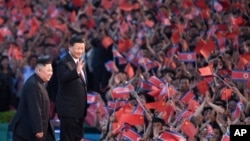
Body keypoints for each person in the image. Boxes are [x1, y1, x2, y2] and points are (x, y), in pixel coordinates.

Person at [10, 58, 55, 141]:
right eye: (48, 71)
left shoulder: (40, 83)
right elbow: (34, 108)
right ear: (39, 70)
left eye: (51, 71)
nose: (51, 73)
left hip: (34, 131)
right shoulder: (34, 85)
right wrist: (38, 129)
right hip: (27, 133)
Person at [55, 35, 88, 141]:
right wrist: (76, 71)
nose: (80, 51)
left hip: (79, 112)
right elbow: (63, 78)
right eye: (78, 48)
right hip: (68, 111)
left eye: (82, 48)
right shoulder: (63, 62)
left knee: (78, 138)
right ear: (70, 47)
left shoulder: (81, 62)